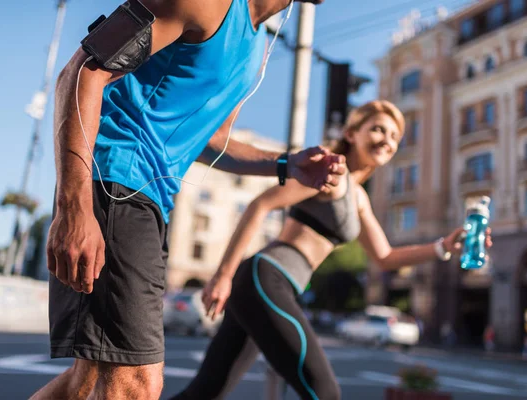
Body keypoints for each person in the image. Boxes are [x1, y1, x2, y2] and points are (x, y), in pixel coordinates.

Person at [30, 0, 344, 399]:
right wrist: (74, 208)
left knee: (85, 380)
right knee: (138, 383)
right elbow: (83, 72)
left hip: (153, 201)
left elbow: (212, 140)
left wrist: (286, 164)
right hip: (116, 181)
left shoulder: (256, 46)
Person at [169, 100, 493, 400]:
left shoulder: (359, 196)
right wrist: (222, 276)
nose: (386, 140)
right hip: (267, 278)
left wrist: (443, 247)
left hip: (269, 284)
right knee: (324, 392)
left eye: (394, 135)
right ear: (352, 133)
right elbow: (261, 203)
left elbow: (385, 257)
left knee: (206, 391)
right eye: (378, 129)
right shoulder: (330, 168)